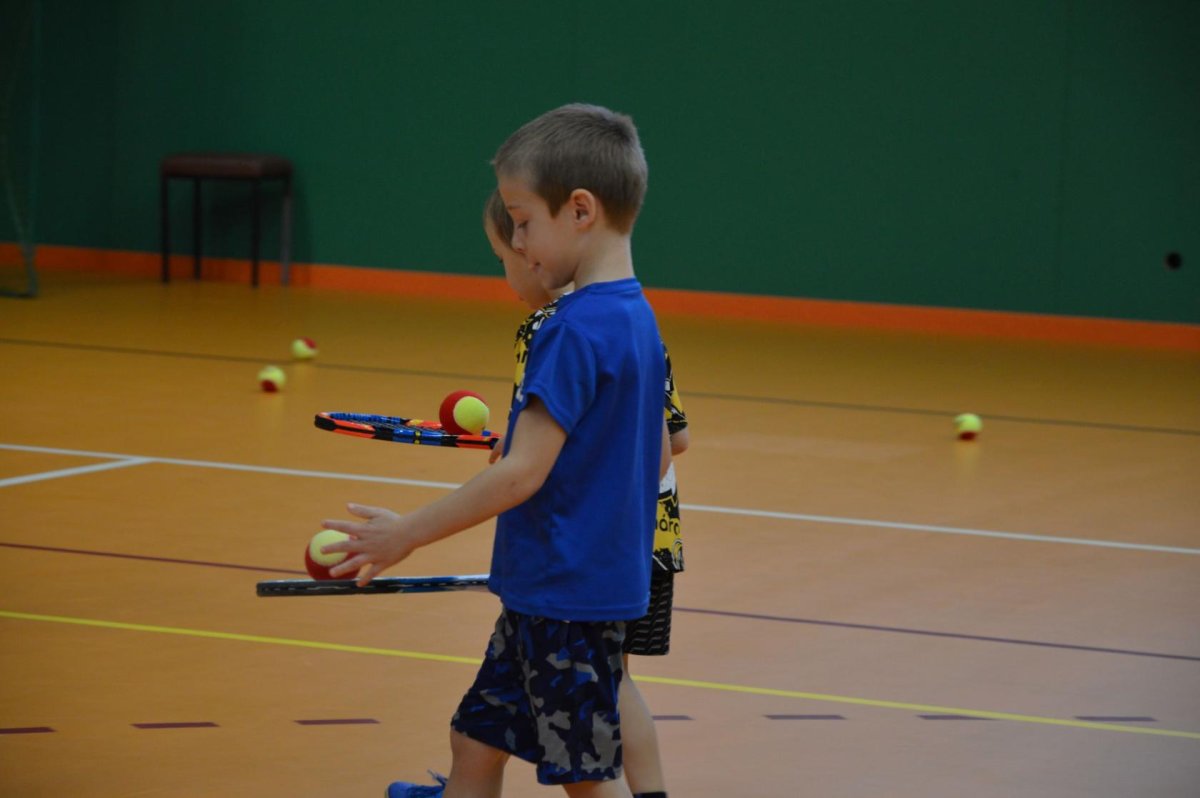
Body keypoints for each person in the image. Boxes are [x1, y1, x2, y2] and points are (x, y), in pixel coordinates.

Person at [321, 103, 664, 798]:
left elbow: (519, 477)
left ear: (580, 210)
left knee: (585, 780)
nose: (518, 239)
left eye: (523, 220)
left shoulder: (569, 329)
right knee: (476, 738)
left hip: (564, 603)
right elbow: (653, 454)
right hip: (569, 594)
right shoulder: (637, 318)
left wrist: (407, 533)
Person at [483, 188, 688, 798]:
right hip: (651, 539)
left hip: (587, 552)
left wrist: (526, 452)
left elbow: (533, 464)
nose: (512, 267)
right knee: (614, 682)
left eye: (507, 254)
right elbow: (673, 438)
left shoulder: (550, 329)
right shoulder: (635, 317)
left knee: (602, 699)